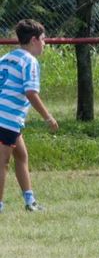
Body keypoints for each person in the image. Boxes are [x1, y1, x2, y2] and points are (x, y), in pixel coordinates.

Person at [0, 19, 58, 213]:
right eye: (43, 39)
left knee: (22, 156)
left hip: (10, 119)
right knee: (3, 162)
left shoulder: (7, 58)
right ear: (33, 40)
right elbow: (31, 93)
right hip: (6, 118)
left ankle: (30, 201)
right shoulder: (29, 61)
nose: (45, 43)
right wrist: (48, 117)